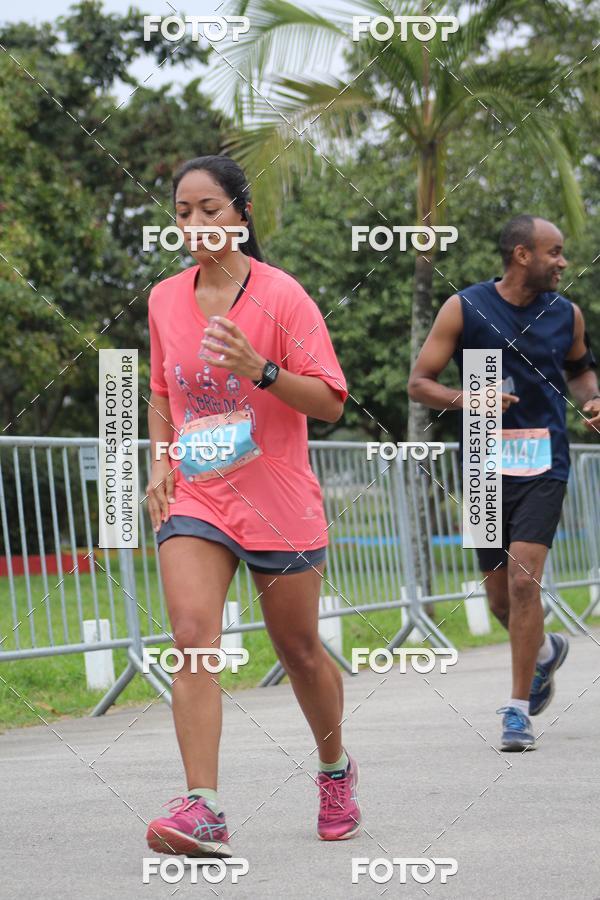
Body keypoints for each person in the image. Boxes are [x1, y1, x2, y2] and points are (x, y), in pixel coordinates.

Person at [145, 155, 361, 857]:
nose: (196, 224)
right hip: (197, 493)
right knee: (192, 636)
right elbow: (160, 392)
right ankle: (202, 807)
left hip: (276, 498)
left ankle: (335, 769)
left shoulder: (282, 296)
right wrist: (158, 460)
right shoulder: (163, 299)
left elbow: (330, 401)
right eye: (183, 212)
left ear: (241, 215)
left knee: (298, 650)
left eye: (210, 209)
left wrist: (260, 370)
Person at [408, 215, 600, 751]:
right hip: (483, 464)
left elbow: (581, 369)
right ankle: (546, 652)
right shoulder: (464, 308)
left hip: (544, 462)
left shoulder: (566, 314)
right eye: (554, 252)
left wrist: (592, 399)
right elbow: (419, 383)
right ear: (522, 255)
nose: (563, 262)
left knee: (522, 582)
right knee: (498, 600)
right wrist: (470, 398)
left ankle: (516, 711)